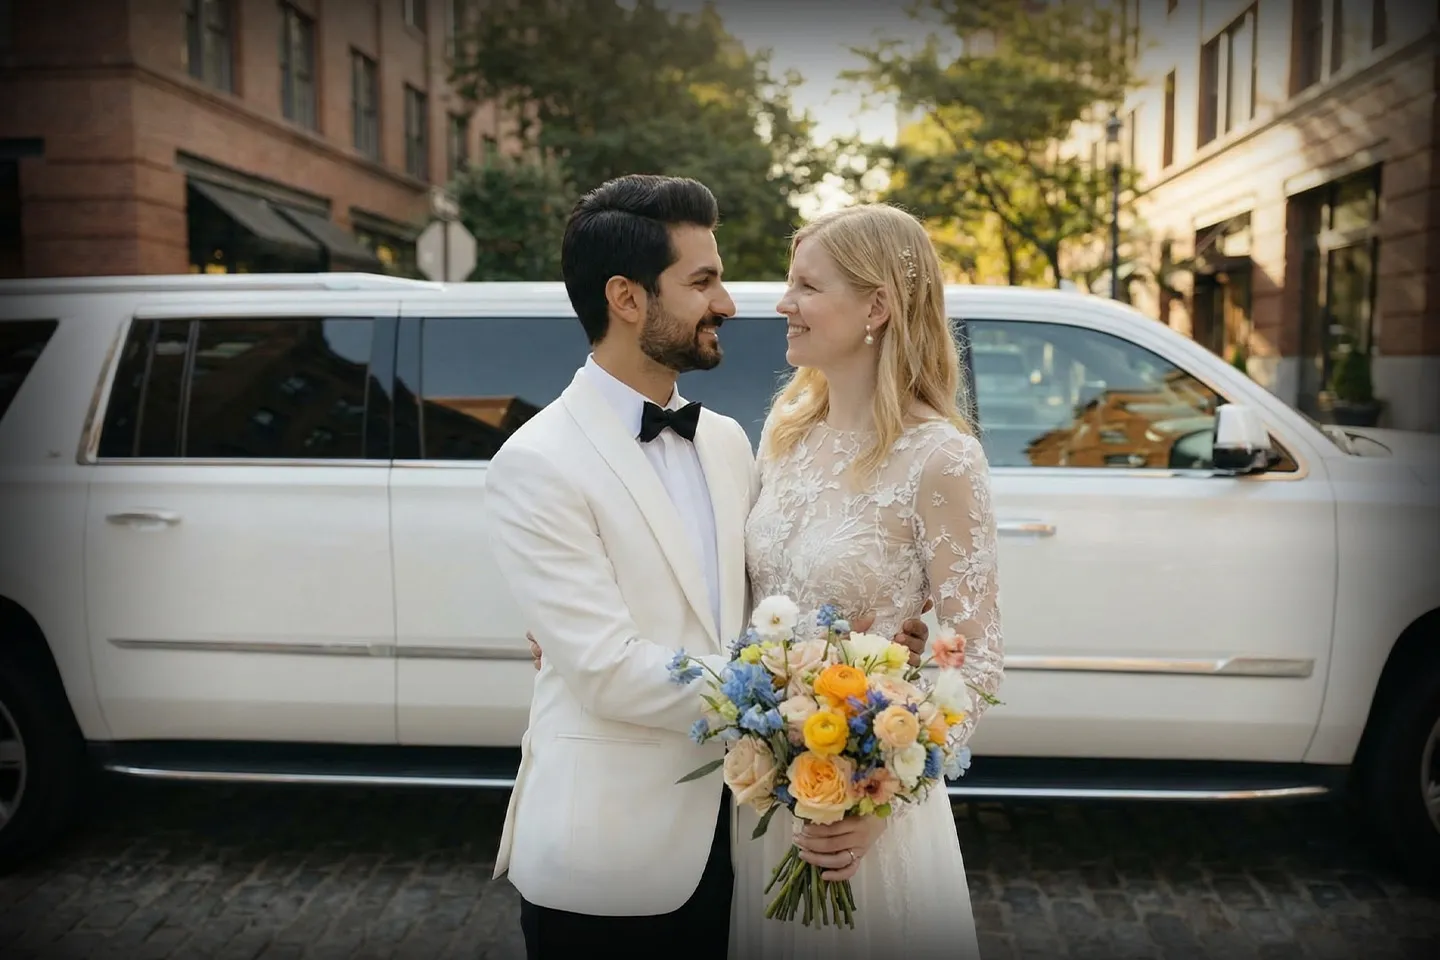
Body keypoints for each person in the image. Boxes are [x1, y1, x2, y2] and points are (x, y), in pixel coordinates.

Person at [482, 175, 929, 960]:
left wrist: (889, 650)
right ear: (626, 298)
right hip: (609, 859)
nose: (727, 302)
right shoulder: (537, 462)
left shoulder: (727, 439)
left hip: (746, 845)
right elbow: (608, 670)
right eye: (702, 281)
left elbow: (773, 597)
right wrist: (805, 696)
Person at [729, 203, 1004, 959]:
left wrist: (878, 799)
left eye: (806, 286)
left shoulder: (940, 458)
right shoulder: (785, 431)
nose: (783, 303)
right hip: (769, 799)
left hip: (867, 820)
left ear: (876, 305)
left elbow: (974, 661)